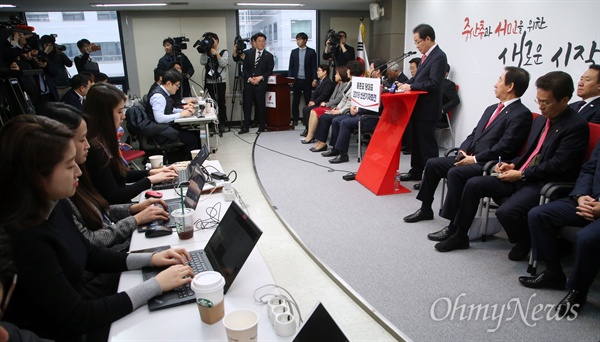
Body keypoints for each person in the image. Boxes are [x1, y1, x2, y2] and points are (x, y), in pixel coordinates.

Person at [0, 115, 194, 341]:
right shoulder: (26, 239)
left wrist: (151, 259)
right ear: (36, 176)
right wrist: (156, 285)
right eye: (68, 165)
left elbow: (90, 254)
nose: (78, 172)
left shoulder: (54, 204)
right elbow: (79, 316)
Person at [433, 71, 590, 261]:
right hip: (523, 173)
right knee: (474, 184)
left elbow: (558, 165)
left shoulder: (575, 126)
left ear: (564, 100)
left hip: (543, 182)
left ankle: (526, 240)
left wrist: (521, 175)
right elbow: (531, 153)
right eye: (538, 100)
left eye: (546, 102)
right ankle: (459, 235)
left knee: (506, 212)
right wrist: (512, 164)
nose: (540, 106)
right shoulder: (541, 119)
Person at [403, 67, 532, 233]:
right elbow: (474, 134)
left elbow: (505, 147)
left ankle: (453, 225)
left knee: (455, 174)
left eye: (499, 80)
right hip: (470, 157)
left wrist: (475, 159)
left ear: (510, 86)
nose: (495, 84)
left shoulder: (521, 114)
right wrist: (463, 150)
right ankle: (425, 208)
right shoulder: (492, 108)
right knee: (433, 164)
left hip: (488, 164)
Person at [518, 139, 600, 316]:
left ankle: (578, 292)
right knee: (538, 215)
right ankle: (553, 273)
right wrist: (581, 195)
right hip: (589, 200)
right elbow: (589, 168)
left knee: (586, 238)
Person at [85, 83, 179, 204]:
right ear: (104, 115)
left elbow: (119, 175)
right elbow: (115, 195)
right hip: (118, 212)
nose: (123, 116)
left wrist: (151, 172)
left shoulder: (105, 140)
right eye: (119, 112)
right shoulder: (95, 148)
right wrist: (150, 180)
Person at [398, 24, 448, 181]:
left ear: (428, 39)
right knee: (417, 143)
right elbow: (419, 78)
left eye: (418, 42)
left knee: (427, 145)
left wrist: (411, 86)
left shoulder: (439, 56)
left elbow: (434, 83)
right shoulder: (426, 57)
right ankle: (416, 171)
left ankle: (430, 177)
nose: (417, 46)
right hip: (417, 107)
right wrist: (405, 84)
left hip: (428, 109)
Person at [321, 60, 387, 163]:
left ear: (377, 71)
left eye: (371, 68)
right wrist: (354, 107)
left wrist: (358, 109)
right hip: (359, 112)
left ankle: (343, 155)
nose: (368, 70)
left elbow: (376, 104)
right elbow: (361, 99)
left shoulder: (383, 84)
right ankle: (336, 149)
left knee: (344, 122)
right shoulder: (368, 81)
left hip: (369, 116)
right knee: (336, 120)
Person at [311, 60, 363, 153]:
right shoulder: (350, 83)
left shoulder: (358, 84)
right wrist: (337, 108)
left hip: (348, 112)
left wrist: (340, 111)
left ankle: (335, 148)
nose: (346, 71)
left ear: (352, 71)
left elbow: (351, 102)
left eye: (348, 70)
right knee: (324, 117)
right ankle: (322, 142)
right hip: (343, 109)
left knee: (334, 119)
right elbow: (344, 99)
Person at [145, 69, 200, 151]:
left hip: (165, 128)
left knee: (195, 133)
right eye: (177, 85)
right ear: (169, 84)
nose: (178, 88)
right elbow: (159, 118)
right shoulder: (158, 97)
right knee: (193, 138)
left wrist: (184, 111)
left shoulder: (164, 94)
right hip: (160, 132)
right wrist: (180, 115)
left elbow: (169, 110)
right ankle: (190, 161)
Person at [300, 65, 349, 143]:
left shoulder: (343, 85)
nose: (335, 75)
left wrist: (326, 104)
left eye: (336, 74)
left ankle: (312, 136)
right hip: (330, 105)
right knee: (311, 110)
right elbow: (332, 98)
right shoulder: (337, 84)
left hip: (335, 107)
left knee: (314, 111)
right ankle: (309, 134)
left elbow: (338, 99)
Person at [239, 33, 274, 134]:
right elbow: (244, 68)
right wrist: (250, 78)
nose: (261, 43)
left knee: (260, 106)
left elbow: (269, 70)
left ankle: (261, 127)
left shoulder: (269, 56)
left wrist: (260, 78)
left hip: (261, 84)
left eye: (263, 41)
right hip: (249, 84)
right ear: (255, 42)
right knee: (247, 105)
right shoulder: (248, 54)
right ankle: (245, 127)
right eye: (259, 41)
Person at [199, 32, 229, 132]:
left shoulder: (224, 51)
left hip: (220, 81)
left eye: (212, 40)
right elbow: (202, 62)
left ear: (217, 40)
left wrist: (216, 54)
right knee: (210, 103)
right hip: (209, 81)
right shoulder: (206, 52)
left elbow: (224, 63)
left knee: (221, 102)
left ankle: (222, 123)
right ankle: (211, 123)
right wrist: (205, 52)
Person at [288, 32, 318, 126]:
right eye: (297, 39)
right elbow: (291, 67)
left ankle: (308, 119)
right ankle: (295, 119)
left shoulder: (311, 52)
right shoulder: (294, 52)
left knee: (308, 100)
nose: (298, 41)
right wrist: (290, 79)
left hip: (307, 80)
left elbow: (314, 67)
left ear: (305, 40)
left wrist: (315, 79)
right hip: (297, 80)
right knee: (295, 100)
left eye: (300, 39)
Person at [299, 64, 335, 138]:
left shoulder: (328, 83)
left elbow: (323, 96)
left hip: (323, 103)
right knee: (305, 109)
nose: (317, 72)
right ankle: (308, 128)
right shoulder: (319, 81)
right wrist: (311, 100)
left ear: (325, 72)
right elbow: (314, 93)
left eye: (319, 70)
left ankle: (311, 131)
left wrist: (314, 102)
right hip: (316, 102)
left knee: (309, 109)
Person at [40, 34, 72, 99]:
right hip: (54, 86)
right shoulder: (43, 56)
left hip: (65, 84)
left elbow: (69, 64)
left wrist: (61, 54)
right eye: (47, 45)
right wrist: (46, 54)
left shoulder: (58, 53)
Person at [437, 64, 461, 128]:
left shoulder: (448, 85)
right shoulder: (430, 83)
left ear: (446, 74)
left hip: (439, 116)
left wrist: (441, 110)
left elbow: (455, 100)